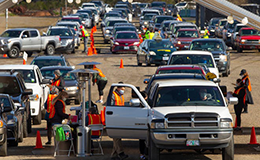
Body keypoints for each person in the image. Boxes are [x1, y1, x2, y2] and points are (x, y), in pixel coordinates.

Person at [110, 83, 128, 160]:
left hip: (119, 117)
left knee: (117, 137)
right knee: (116, 136)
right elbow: (111, 106)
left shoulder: (120, 96)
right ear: (118, 88)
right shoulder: (113, 95)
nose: (123, 91)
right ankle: (120, 153)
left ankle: (114, 155)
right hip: (114, 117)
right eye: (122, 89)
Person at [139, 91, 148, 160]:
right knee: (142, 140)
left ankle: (144, 153)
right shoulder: (140, 104)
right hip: (142, 124)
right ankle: (142, 153)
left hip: (146, 123)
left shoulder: (148, 103)